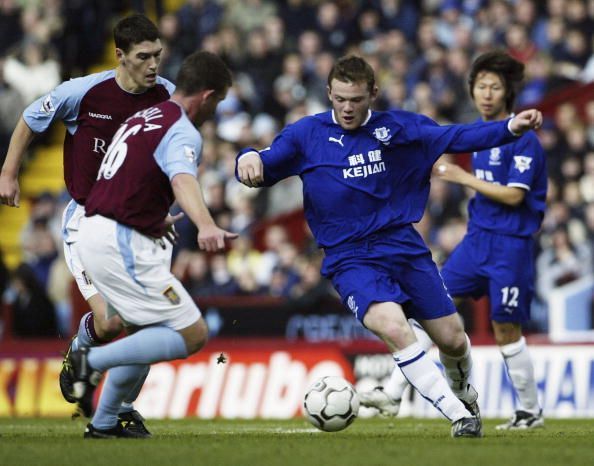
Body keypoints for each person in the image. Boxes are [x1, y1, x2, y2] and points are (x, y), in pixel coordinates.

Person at [236, 55, 543, 438]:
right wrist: (246, 156)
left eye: (356, 99)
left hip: (402, 247)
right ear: (329, 93)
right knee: (395, 328)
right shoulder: (306, 135)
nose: (347, 108)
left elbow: (458, 136)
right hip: (350, 257)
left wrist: (510, 127)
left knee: (452, 337)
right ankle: (459, 417)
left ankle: (464, 393)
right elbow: (264, 163)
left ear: (373, 95)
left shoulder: (400, 128)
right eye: (340, 99)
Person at [0, 14, 175, 436]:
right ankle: (80, 349)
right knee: (113, 321)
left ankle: (121, 408)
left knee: (154, 319)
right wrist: (8, 173)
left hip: (137, 226)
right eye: (143, 57)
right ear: (120, 56)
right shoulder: (82, 93)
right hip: (87, 220)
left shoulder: (168, 96)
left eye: (157, 55)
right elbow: (28, 118)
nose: (153, 65)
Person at [361, 51, 547, 431]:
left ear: (508, 92)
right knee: (432, 310)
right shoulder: (478, 135)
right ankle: (395, 393)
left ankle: (530, 411)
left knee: (505, 329)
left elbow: (514, 196)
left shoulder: (523, 140)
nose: (487, 94)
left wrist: (462, 178)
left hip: (511, 245)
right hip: (475, 243)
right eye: (481, 86)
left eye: (495, 87)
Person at [68, 50, 236, 439]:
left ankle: (105, 422)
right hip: (118, 239)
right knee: (192, 333)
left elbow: (126, 177)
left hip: (98, 229)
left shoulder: (145, 116)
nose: (216, 110)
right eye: (219, 102)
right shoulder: (183, 128)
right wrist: (207, 224)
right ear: (208, 96)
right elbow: (182, 179)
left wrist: (147, 217)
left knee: (145, 331)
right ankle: (91, 360)